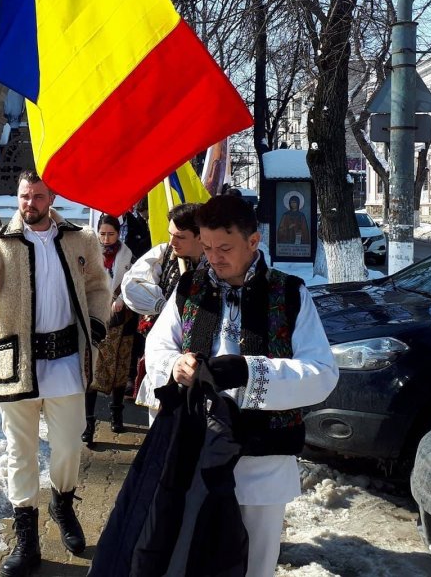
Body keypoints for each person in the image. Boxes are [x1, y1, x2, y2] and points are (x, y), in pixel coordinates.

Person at [145, 194, 338, 577]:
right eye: (207, 246)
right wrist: (175, 364)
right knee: (188, 555)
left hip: (261, 460)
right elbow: (157, 348)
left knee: (253, 563)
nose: (214, 257)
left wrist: (251, 372)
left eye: (225, 247)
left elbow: (322, 374)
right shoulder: (189, 289)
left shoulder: (290, 293)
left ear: (253, 242)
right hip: (194, 449)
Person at [0, 170, 111, 576]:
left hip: (67, 359)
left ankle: (63, 504)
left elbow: (99, 287)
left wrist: (97, 325)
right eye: (23, 195)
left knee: (68, 445)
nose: (28, 203)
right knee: (21, 452)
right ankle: (27, 534)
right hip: (17, 365)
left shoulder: (79, 239)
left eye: (37, 196)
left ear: (52, 199)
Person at [121, 202, 206, 420]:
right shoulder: (164, 254)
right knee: (160, 426)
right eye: (171, 234)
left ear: (200, 236)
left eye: (180, 236)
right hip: (166, 356)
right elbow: (132, 284)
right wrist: (160, 305)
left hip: (202, 362)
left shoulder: (217, 263)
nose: (172, 241)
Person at [83, 214, 135, 445]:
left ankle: (116, 414)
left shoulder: (127, 255)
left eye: (110, 234)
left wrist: (122, 297)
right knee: (92, 367)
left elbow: (134, 281)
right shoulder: (89, 252)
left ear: (118, 233)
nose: (105, 239)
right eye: (102, 234)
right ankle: (89, 422)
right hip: (94, 315)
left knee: (119, 366)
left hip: (120, 318)